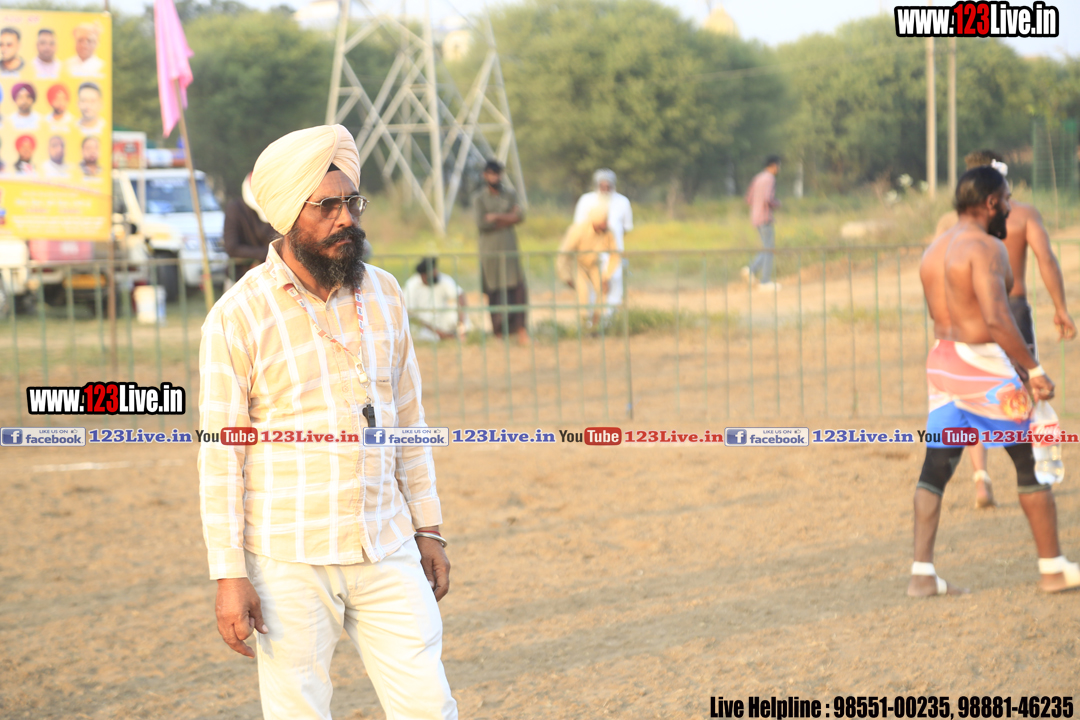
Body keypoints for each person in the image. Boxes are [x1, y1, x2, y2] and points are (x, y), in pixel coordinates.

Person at [199, 124, 457, 720]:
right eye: (327, 207)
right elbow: (220, 457)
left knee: (429, 705)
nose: (346, 219)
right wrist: (228, 574)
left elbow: (409, 422)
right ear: (289, 214)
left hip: (386, 540)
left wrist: (429, 528)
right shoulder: (239, 316)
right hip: (290, 553)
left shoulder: (385, 293)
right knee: (299, 711)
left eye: (352, 203)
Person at [911, 165, 1079, 597]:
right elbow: (997, 318)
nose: (1009, 207)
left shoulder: (934, 249)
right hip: (980, 363)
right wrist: (1033, 370)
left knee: (936, 466)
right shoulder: (986, 248)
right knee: (1030, 459)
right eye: (1006, 199)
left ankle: (922, 574)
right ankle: (1053, 569)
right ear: (990, 203)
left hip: (942, 361)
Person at [934, 150, 1077, 508]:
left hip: (964, 318)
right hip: (1011, 310)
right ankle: (1029, 473)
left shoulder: (948, 223)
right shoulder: (1024, 214)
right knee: (1024, 388)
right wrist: (1061, 308)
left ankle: (981, 478)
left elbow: (937, 272)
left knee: (968, 396)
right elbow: (1046, 258)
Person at [473, 159, 528, 345]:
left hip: (509, 250)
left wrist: (496, 217)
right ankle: (498, 333)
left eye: (497, 174)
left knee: (517, 289)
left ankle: (521, 331)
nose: (494, 177)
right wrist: (509, 218)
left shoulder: (510, 194)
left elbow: (520, 216)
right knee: (494, 292)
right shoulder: (479, 198)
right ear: (485, 175)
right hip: (490, 253)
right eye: (491, 174)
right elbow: (482, 223)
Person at [572, 169, 633, 317]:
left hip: (613, 253)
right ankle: (591, 320)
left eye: (608, 186)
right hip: (591, 254)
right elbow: (579, 227)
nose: (605, 189)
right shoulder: (586, 200)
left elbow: (626, 228)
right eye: (602, 185)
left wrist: (610, 242)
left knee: (614, 284)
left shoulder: (622, 202)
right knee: (592, 288)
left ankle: (610, 319)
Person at [557, 203, 621, 330]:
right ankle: (583, 325)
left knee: (603, 289)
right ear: (596, 223)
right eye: (603, 222)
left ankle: (596, 325)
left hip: (594, 264)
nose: (606, 224)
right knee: (583, 291)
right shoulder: (577, 231)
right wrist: (566, 276)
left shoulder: (608, 232)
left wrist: (606, 277)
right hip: (577, 263)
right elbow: (563, 255)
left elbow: (615, 255)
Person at [222, 172, 277, 279]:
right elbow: (232, 247)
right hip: (240, 276)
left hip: (274, 274)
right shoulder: (235, 208)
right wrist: (266, 254)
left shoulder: (275, 208)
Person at [402, 257, 468, 342]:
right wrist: (436, 331)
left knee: (457, 310)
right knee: (421, 333)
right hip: (423, 325)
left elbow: (460, 295)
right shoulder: (412, 285)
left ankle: (457, 334)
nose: (435, 274)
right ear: (423, 275)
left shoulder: (442, 279)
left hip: (441, 320)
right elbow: (409, 314)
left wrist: (461, 324)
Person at [743, 155, 782, 291]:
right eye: (778, 166)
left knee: (766, 247)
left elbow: (748, 199)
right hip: (765, 217)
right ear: (774, 166)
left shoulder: (758, 178)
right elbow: (768, 198)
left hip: (755, 217)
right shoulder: (770, 179)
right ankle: (765, 281)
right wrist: (777, 203)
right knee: (769, 249)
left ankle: (751, 270)